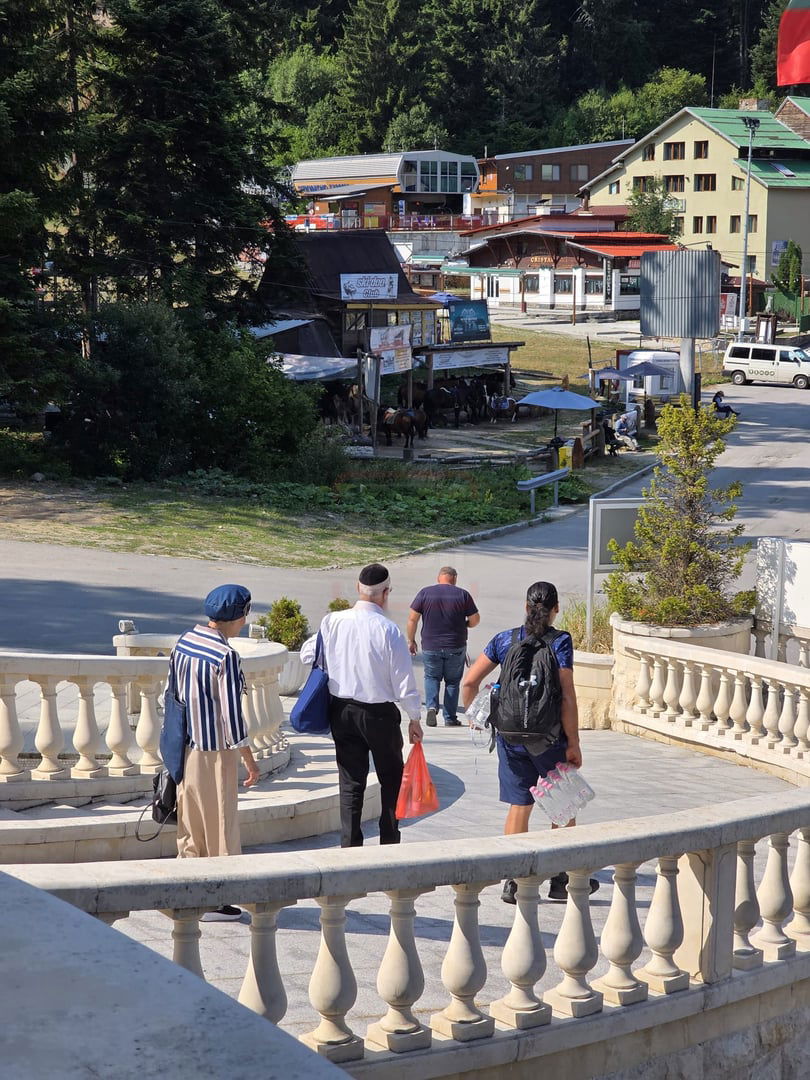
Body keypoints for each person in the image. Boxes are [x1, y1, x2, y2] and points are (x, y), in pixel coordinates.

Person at [461, 581, 599, 905]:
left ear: (526, 607)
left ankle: (514, 881)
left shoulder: (504, 640)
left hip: (511, 740)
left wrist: (477, 717)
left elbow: (470, 682)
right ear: (556, 610)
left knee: (519, 804)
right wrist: (574, 741)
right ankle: (560, 879)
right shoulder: (560, 641)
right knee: (561, 802)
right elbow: (566, 694)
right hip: (549, 738)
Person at [301, 562, 423, 847]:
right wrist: (414, 718)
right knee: (390, 778)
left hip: (341, 710)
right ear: (385, 594)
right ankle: (389, 840)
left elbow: (308, 655)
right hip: (378, 714)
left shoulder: (332, 621)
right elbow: (403, 680)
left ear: (358, 588)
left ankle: (350, 844)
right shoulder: (388, 630)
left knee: (350, 782)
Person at [170, 584, 260, 921]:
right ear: (238, 616)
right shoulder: (226, 656)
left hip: (186, 746)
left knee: (192, 824)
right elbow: (232, 719)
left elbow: (172, 695)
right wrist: (251, 764)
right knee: (220, 823)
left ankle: (188, 890)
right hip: (216, 750)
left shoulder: (185, 641)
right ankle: (215, 899)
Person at [407, 567, 480, 728]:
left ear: (439, 578)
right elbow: (475, 619)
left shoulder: (425, 593)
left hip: (431, 646)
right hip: (455, 646)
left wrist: (411, 640)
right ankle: (450, 718)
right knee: (452, 682)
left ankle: (432, 707)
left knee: (431, 677)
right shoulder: (462, 594)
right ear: (454, 578)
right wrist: (465, 624)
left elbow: (412, 619)